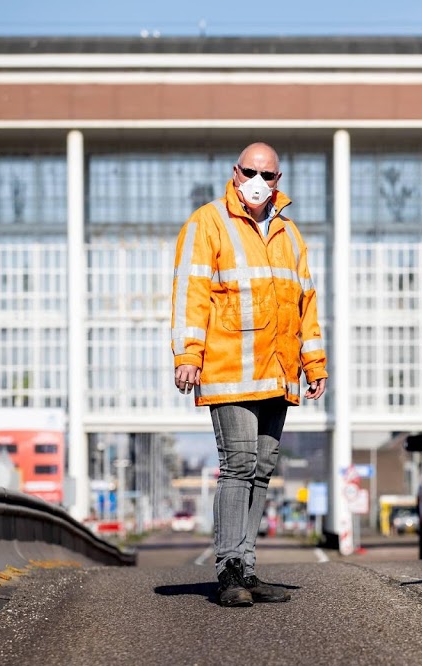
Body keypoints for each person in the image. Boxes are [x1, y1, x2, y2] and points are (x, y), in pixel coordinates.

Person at [171, 142, 328, 607]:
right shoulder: (209, 221)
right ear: (235, 173)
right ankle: (229, 571)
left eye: (269, 175)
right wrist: (188, 353)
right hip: (228, 371)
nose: (259, 181)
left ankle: (248, 565)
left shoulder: (289, 234)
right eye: (251, 171)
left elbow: (306, 305)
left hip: (277, 374)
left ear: (279, 181)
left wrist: (314, 364)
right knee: (238, 466)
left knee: (261, 470)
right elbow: (190, 290)